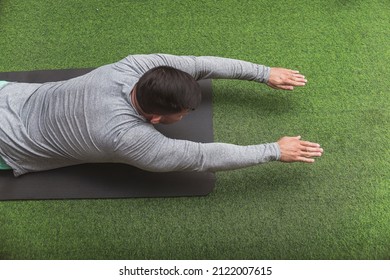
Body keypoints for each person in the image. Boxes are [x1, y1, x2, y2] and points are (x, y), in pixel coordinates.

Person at [0, 54, 323, 177]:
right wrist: (274, 151)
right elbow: (201, 156)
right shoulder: (126, 138)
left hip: (8, 95)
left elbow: (200, 64)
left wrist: (263, 72)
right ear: (155, 118)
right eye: (183, 113)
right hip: (8, 145)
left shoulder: (134, 66)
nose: (185, 116)